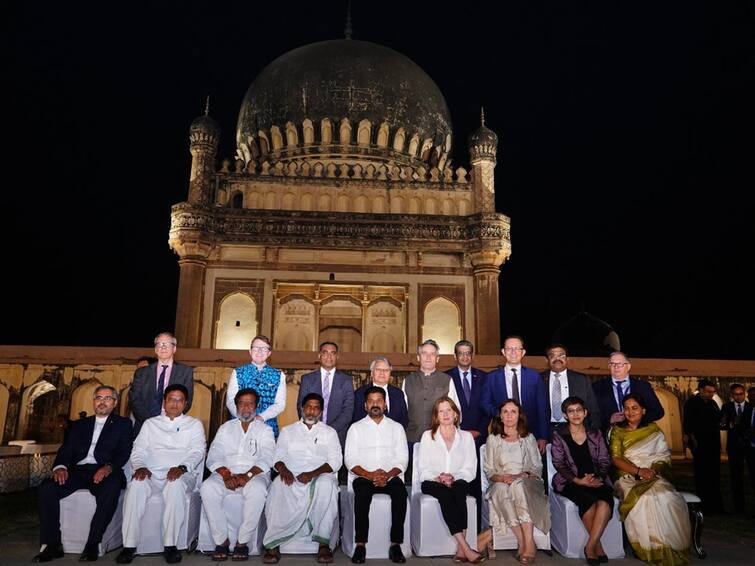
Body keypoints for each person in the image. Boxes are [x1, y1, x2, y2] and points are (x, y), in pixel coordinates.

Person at [34, 386, 133, 563]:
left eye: (108, 398)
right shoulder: (80, 425)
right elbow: (66, 450)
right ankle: (52, 544)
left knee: (111, 488)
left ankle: (92, 544)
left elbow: (124, 451)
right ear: (94, 401)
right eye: (98, 397)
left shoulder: (123, 424)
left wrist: (108, 467)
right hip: (78, 472)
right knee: (47, 488)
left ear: (115, 403)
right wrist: (61, 467)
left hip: (105, 471)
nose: (102, 401)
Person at [117, 384, 206, 564]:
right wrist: (141, 466)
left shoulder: (194, 424)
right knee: (135, 486)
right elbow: (138, 450)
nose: (175, 403)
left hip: (181, 473)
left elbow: (198, 451)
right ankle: (129, 545)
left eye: (180, 400)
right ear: (164, 402)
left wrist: (181, 467)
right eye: (171, 399)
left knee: (175, 486)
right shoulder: (151, 423)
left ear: (185, 404)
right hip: (151, 472)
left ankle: (170, 545)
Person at [609, 394, 690, 566]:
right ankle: (648, 547)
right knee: (644, 499)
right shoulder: (617, 430)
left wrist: (651, 471)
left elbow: (663, 456)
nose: (630, 412)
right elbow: (615, 458)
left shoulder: (653, 430)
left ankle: (670, 545)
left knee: (667, 496)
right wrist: (638, 471)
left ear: (643, 410)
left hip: (653, 474)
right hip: (627, 475)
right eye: (627, 408)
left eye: (635, 408)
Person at [262, 394, 342, 564]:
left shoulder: (329, 432)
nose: (311, 411)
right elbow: (278, 455)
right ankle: (274, 543)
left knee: (327, 485)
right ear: (301, 408)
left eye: (316, 408)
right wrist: (283, 470)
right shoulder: (288, 431)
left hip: (319, 476)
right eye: (308, 407)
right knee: (277, 485)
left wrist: (312, 474)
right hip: (291, 475)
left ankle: (322, 543)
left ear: (321, 411)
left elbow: (336, 461)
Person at [200, 388, 275, 561]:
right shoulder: (225, 428)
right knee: (208, 487)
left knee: (257, 491)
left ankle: (242, 542)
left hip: (255, 475)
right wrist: (226, 474)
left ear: (256, 406)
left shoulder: (265, 430)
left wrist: (247, 476)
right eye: (242, 403)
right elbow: (214, 455)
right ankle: (222, 541)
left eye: (250, 403)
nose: (246, 407)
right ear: (236, 406)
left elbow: (267, 457)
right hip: (226, 472)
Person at [345, 386, 409, 564]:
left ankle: (395, 544)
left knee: (400, 494)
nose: (375, 404)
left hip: (390, 476)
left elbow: (403, 459)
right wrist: (370, 474)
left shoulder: (397, 428)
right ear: (365, 406)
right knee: (363, 495)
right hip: (364, 477)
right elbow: (350, 460)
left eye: (379, 400)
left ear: (385, 404)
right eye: (371, 401)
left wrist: (387, 475)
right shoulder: (355, 428)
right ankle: (360, 545)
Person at [417, 397, 484, 564]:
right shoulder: (428, 436)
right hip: (432, 481)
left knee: (459, 490)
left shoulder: (466, 437)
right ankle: (466, 547)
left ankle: (461, 551)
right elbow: (423, 467)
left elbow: (470, 468)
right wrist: (439, 477)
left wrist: (453, 477)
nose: (445, 414)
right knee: (445, 494)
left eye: (449, 410)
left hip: (458, 479)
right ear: (436, 416)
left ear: (455, 414)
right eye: (441, 411)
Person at [483, 400, 549, 565]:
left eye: (513, 411)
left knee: (518, 486)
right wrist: (503, 478)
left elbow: (536, 467)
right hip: (502, 481)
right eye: (505, 412)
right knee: (500, 490)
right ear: (500, 415)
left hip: (527, 481)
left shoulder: (528, 437)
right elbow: (489, 470)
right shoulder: (493, 439)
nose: (509, 416)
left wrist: (520, 475)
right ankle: (524, 542)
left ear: (519, 415)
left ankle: (529, 543)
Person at [550, 396, 613, 566]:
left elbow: (605, 460)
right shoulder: (559, 435)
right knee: (587, 499)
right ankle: (597, 546)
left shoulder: (595, 433)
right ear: (565, 415)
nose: (575, 414)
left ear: (585, 413)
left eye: (579, 410)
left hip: (596, 478)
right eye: (571, 411)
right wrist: (578, 480)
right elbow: (559, 463)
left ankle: (590, 545)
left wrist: (597, 477)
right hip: (570, 481)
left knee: (605, 501)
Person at [444, 340, 488, 531]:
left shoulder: (484, 377)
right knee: (458, 478)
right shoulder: (446, 378)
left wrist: (479, 430)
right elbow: (445, 408)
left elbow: (488, 407)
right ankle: (458, 527)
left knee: (476, 481)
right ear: (455, 356)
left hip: (478, 437)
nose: (464, 357)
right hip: (455, 437)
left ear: (472, 355)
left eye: (468, 353)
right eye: (461, 353)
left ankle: (476, 529)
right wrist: (458, 430)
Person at [481, 336, 549, 453]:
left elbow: (542, 408)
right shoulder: (492, 377)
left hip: (530, 433)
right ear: (503, 352)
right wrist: (502, 414)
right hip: (501, 433)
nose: (513, 352)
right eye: (509, 348)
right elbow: (484, 403)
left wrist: (542, 436)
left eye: (517, 349)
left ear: (523, 352)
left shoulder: (535, 377)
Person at [130, 332, 194, 437]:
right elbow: (134, 399)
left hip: (172, 426)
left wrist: (168, 420)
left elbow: (187, 400)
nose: (163, 347)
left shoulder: (185, 371)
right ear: (155, 349)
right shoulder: (142, 372)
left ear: (174, 349)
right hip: (144, 426)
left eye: (167, 344)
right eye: (159, 344)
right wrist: (151, 422)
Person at [402, 339, 460, 446]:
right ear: (418, 357)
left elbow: (455, 412)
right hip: (413, 439)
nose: (428, 357)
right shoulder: (408, 381)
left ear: (437, 359)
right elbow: (403, 412)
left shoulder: (447, 380)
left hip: (439, 440)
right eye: (424, 353)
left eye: (432, 354)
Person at [297, 341, 355, 447]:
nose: (329, 356)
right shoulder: (307, 379)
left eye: (332, 353)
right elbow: (301, 406)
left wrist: (329, 430)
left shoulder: (346, 380)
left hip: (337, 435)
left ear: (337, 357)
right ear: (319, 356)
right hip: (310, 433)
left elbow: (348, 410)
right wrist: (315, 428)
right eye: (325, 352)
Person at [226, 335, 286, 437]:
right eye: (256, 348)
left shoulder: (279, 375)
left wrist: (261, 417)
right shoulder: (237, 372)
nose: (259, 351)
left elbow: (280, 404)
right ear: (250, 351)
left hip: (266, 424)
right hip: (240, 424)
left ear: (269, 353)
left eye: (264, 348)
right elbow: (230, 400)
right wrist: (242, 417)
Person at [592, 352, 664, 432]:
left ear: (628, 366)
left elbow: (658, 412)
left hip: (638, 435)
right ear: (609, 367)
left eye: (620, 364)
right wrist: (609, 419)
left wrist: (636, 418)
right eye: (612, 364)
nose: (616, 367)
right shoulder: (596, 387)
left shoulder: (643, 386)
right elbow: (591, 414)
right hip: (608, 436)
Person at [683, 379, 725, 514]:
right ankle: (704, 506)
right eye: (708, 392)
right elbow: (688, 424)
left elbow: (718, 419)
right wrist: (693, 442)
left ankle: (716, 505)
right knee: (702, 476)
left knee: (715, 476)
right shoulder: (692, 403)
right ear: (700, 390)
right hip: (700, 445)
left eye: (713, 392)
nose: (711, 394)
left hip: (713, 444)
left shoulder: (712, 403)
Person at [540, 344, 601, 431]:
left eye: (561, 355)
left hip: (576, 430)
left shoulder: (581, 380)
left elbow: (593, 409)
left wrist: (594, 432)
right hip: (545, 430)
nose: (557, 359)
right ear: (547, 360)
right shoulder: (538, 379)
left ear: (567, 359)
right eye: (553, 356)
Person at [353, 356, 408, 427]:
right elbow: (357, 419)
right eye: (378, 369)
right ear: (372, 373)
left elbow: (404, 419)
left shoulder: (398, 394)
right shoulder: (360, 393)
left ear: (390, 374)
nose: (382, 373)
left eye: (386, 370)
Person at [720, 383, 750, 514]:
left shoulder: (750, 407)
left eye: (741, 394)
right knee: (736, 477)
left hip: (749, 446)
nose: (739, 397)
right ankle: (739, 507)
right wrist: (730, 423)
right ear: (732, 395)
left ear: (745, 394)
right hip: (734, 447)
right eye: (736, 394)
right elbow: (721, 424)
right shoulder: (727, 407)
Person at [737, 392, 755, 518]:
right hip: (751, 451)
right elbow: (742, 428)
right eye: (751, 396)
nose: (753, 398)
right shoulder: (748, 412)